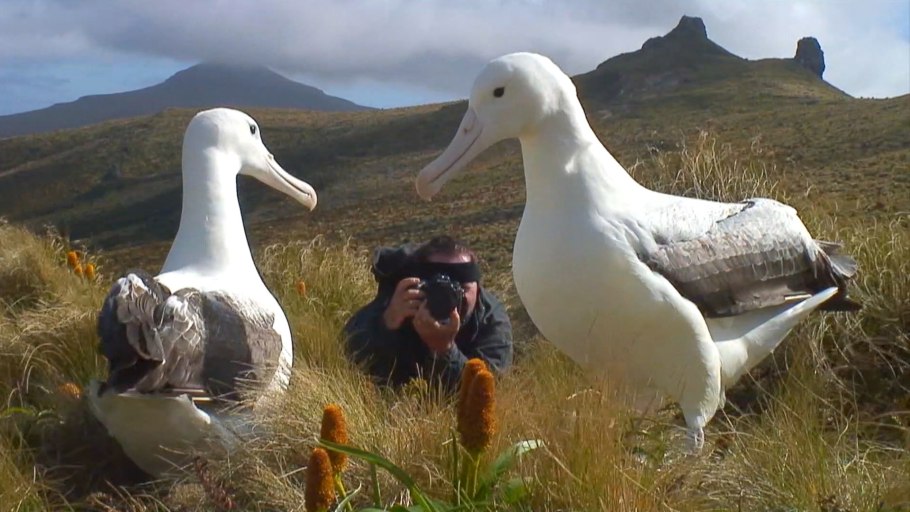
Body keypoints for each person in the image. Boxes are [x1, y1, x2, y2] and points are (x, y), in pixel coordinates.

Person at [344, 236, 513, 392]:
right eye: (436, 287)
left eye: (462, 288)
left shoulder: (490, 318)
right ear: (419, 283)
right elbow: (345, 355)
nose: (449, 298)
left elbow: (486, 394)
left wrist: (445, 349)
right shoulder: (400, 299)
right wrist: (386, 323)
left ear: (478, 287)